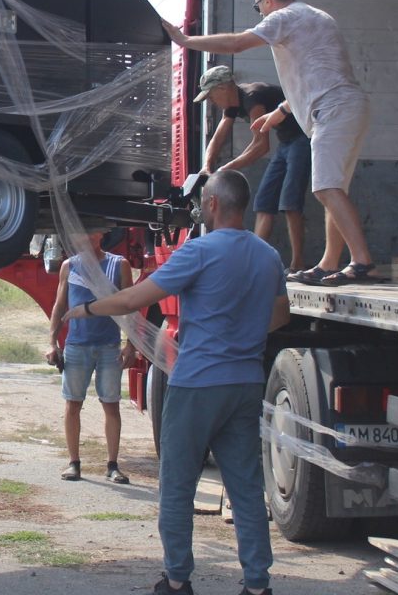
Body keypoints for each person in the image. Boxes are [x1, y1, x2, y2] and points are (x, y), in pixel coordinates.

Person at [67, 170, 290, 595]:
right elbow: (282, 314)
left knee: (178, 484)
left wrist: (89, 309)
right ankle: (258, 585)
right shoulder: (268, 255)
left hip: (197, 385)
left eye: (203, 201)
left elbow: (135, 299)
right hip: (245, 382)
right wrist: (243, 333)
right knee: (245, 487)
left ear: (213, 205)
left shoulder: (198, 252)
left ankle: (176, 580)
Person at [163, 0, 377, 286]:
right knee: (334, 190)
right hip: (345, 105)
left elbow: (237, 43)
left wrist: (185, 40)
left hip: (333, 109)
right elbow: (315, 76)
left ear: (268, 0)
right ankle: (330, 262)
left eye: (258, 7)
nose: (260, 13)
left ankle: (362, 262)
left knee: (326, 188)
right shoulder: (315, 16)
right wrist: (279, 113)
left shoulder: (284, 16)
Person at [194, 64, 311, 272]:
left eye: (211, 96)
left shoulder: (252, 97)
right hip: (286, 142)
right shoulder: (232, 104)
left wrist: (226, 169)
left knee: (290, 201)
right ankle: (255, 261)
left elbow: (261, 146)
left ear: (223, 88)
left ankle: (297, 264)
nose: (211, 102)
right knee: (264, 201)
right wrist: (207, 166)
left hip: (302, 138)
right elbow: (218, 137)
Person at [44, 228, 136, 484]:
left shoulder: (119, 265)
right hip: (77, 345)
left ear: (101, 234)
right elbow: (59, 305)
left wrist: (131, 345)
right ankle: (73, 463)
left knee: (111, 405)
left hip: (108, 345)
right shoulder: (69, 266)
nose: (83, 237)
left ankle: (113, 465)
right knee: (73, 404)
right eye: (81, 232)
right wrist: (52, 342)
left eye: (90, 231)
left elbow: (131, 305)